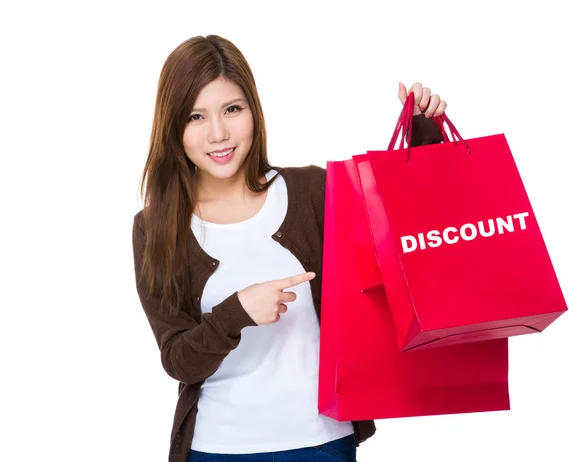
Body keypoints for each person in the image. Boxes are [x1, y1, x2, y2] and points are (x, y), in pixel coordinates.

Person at [132, 35, 446, 462]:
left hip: (321, 442)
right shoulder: (156, 227)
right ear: (174, 127)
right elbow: (178, 360)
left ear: (253, 111)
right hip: (217, 449)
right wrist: (235, 312)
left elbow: (408, 242)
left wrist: (425, 142)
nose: (218, 134)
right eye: (195, 116)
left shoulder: (311, 192)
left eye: (232, 109)